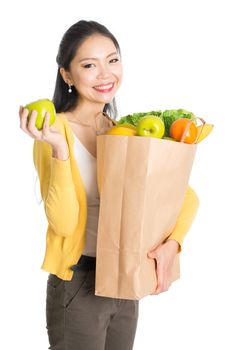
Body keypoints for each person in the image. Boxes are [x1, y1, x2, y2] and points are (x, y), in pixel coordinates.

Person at [19, 20, 199, 350]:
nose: (106, 74)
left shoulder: (123, 132)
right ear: (67, 75)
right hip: (78, 282)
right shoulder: (53, 132)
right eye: (89, 65)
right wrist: (60, 150)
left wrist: (173, 244)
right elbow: (63, 222)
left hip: (125, 278)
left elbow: (183, 196)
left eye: (112, 60)